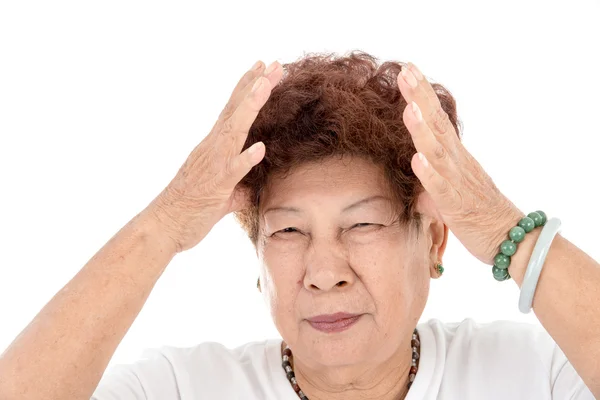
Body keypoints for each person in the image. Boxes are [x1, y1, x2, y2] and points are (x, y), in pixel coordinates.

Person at [0, 51, 598, 400]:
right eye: (286, 232)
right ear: (257, 258)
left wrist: (503, 231)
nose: (324, 273)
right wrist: (166, 222)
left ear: (435, 240)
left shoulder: (536, 374)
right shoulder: (181, 387)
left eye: (363, 224)